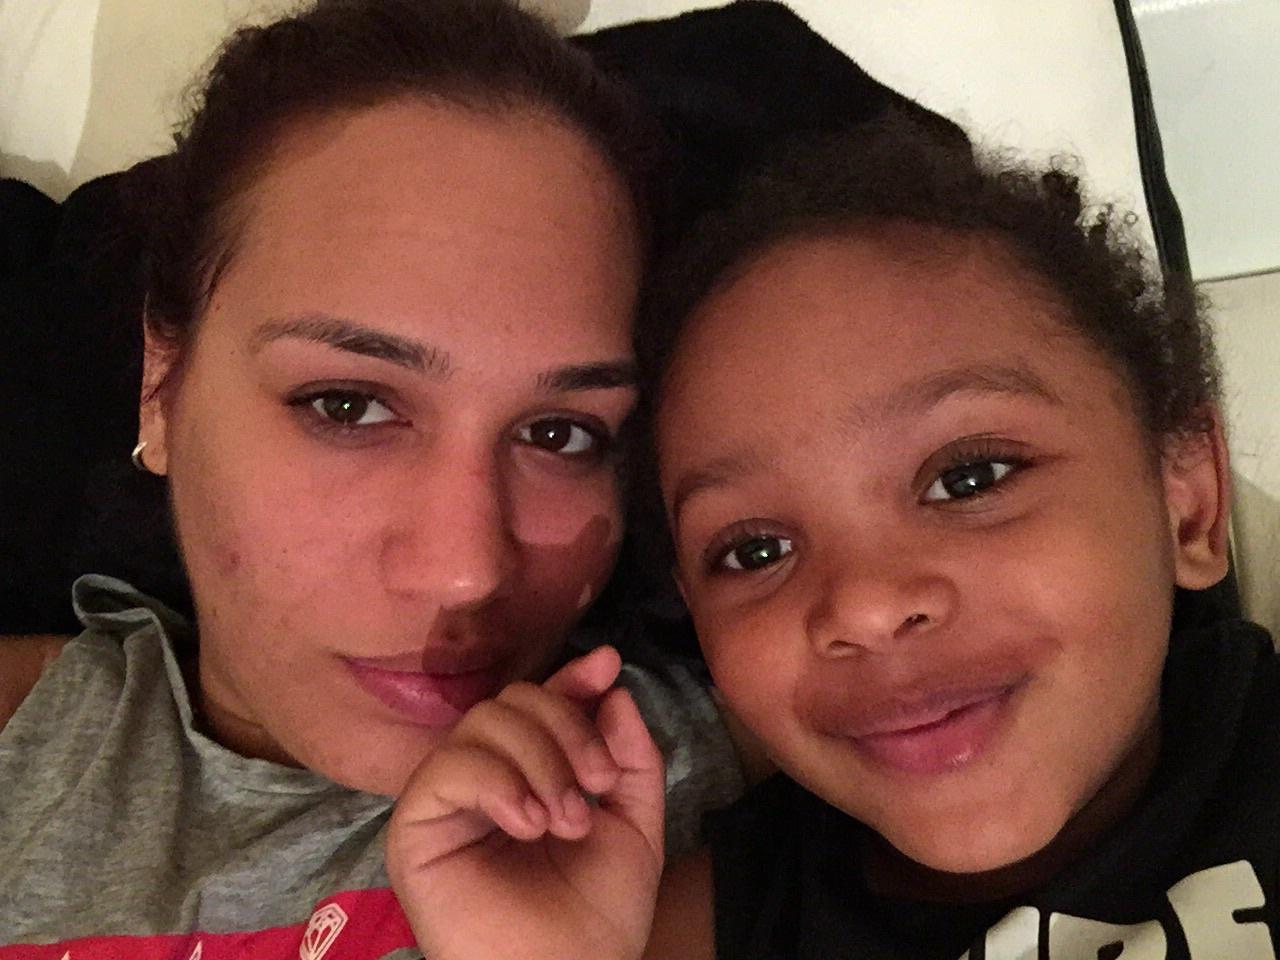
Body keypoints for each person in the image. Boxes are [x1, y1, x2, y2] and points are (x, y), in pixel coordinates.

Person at [389, 113, 1279, 960]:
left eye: (970, 478)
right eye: (755, 552)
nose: (865, 606)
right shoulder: (686, 929)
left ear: (1190, 501)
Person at [0, 0, 745, 953]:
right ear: (162, 385)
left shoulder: (697, 800)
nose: (465, 570)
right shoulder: (30, 733)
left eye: (560, 433)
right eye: (347, 406)